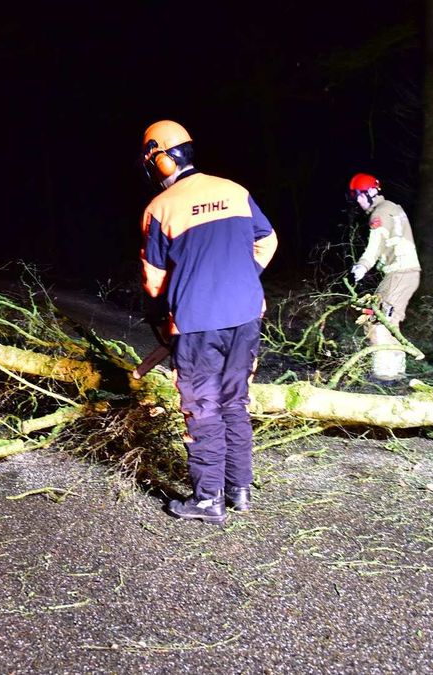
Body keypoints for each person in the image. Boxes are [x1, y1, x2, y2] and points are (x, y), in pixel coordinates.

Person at [138, 120, 278, 525]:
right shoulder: (234, 191)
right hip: (248, 313)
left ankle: (207, 499)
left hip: (198, 322)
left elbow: (153, 278)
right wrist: (244, 275)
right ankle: (240, 489)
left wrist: (166, 307)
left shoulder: (160, 208)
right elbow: (267, 239)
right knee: (235, 400)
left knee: (203, 407)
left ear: (160, 159)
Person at [347, 173, 421, 384]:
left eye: (359, 195)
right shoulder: (393, 207)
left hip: (400, 273)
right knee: (387, 321)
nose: (357, 201)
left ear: (371, 193)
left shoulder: (379, 214)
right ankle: (396, 373)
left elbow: (374, 246)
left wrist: (362, 265)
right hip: (402, 274)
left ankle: (385, 376)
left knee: (379, 321)